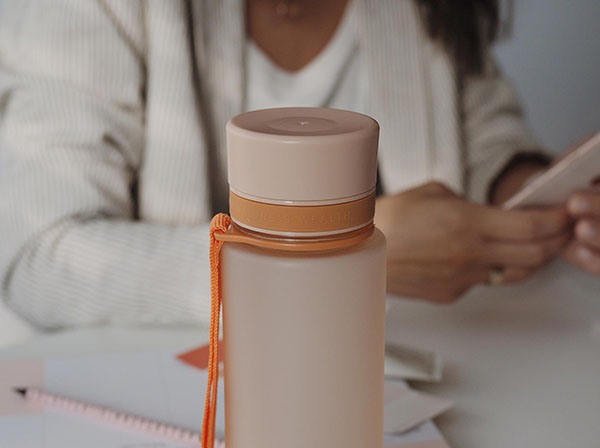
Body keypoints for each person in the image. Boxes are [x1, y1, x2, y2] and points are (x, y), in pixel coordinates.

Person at [0, 0, 597, 328]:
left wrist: (527, 189)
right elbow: (40, 258)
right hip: (169, 407)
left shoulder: (424, 10)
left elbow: (478, 123)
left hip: (388, 379)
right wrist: (335, 258)